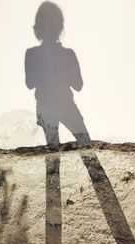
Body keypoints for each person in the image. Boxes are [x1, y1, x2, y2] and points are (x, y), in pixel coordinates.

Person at [25, 1, 90, 146]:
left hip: (50, 107)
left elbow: (30, 83)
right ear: (60, 27)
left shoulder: (33, 54)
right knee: (87, 150)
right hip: (59, 105)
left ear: (38, 28)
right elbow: (78, 85)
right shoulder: (67, 55)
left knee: (55, 156)